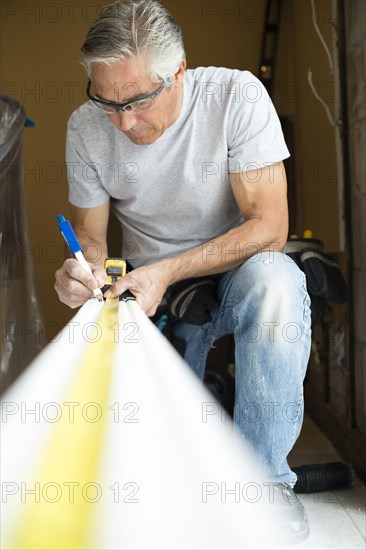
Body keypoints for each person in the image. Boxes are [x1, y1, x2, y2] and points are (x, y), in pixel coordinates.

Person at [55, 0, 311, 540]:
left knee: (278, 286)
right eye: (106, 101)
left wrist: (169, 270)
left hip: (240, 264)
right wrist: (82, 273)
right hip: (150, 286)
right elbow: (94, 240)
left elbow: (268, 225)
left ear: (179, 71)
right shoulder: (85, 128)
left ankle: (265, 490)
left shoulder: (236, 96)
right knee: (153, 481)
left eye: (138, 101)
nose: (123, 121)